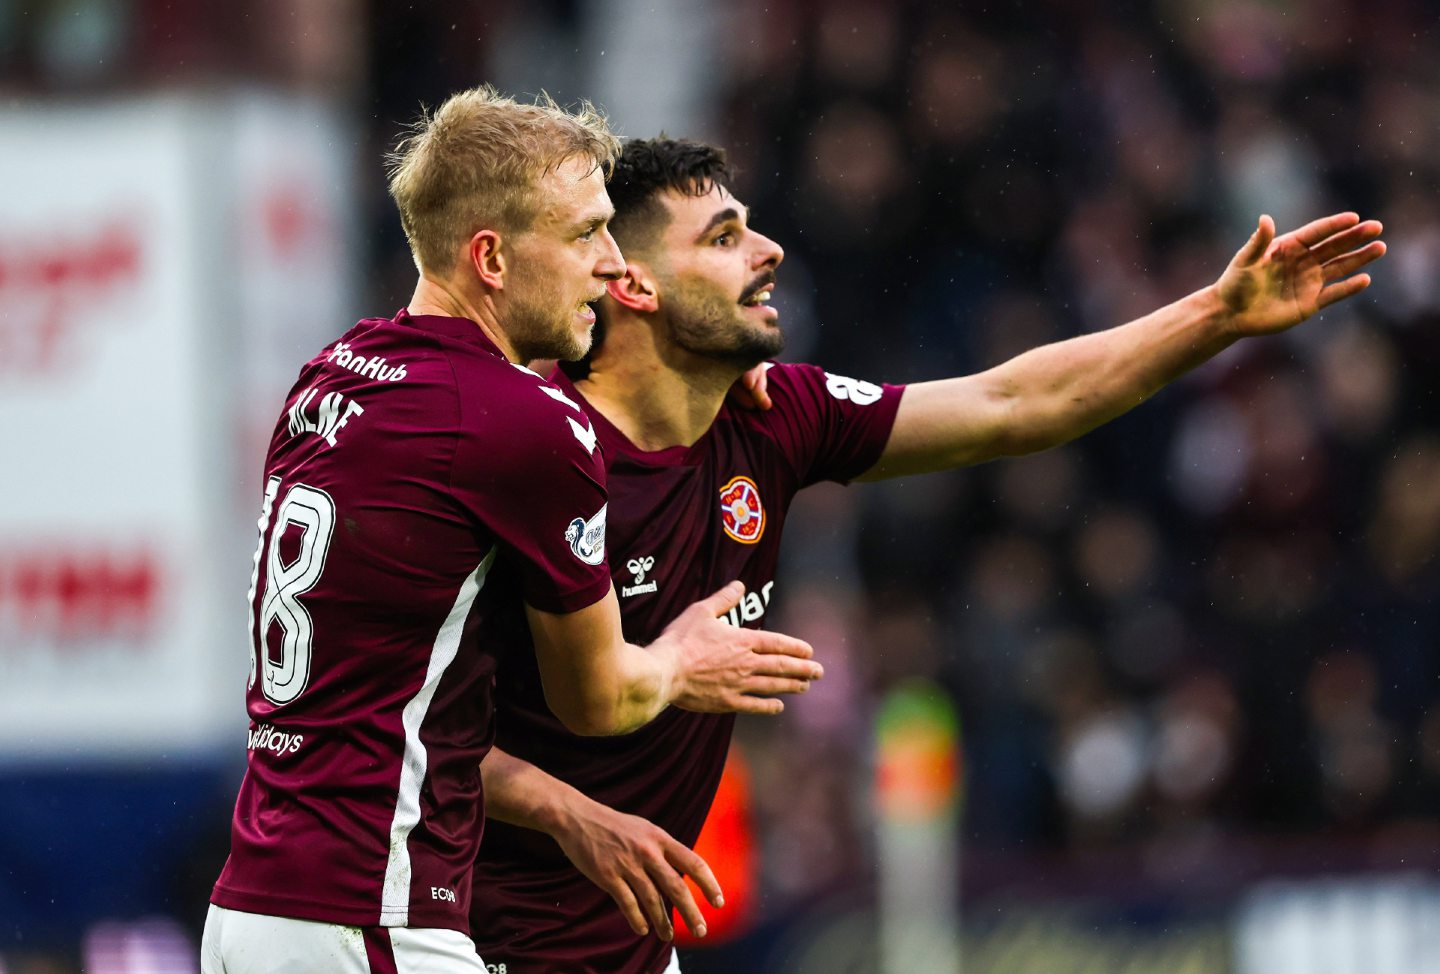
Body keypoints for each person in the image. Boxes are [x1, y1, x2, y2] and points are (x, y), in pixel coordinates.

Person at [467, 137, 1387, 974]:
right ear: (633, 286)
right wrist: (573, 804)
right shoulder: (533, 454)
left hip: (633, 951)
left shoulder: (774, 418)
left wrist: (1217, 317)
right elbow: (392, 722)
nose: (768, 251)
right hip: (467, 942)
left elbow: (1014, 405)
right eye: (723, 237)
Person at [200, 95, 822, 974]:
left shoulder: (328, 379)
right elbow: (599, 699)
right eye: (582, 236)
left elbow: (386, 693)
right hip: (374, 916)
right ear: (489, 257)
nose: (608, 266)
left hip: (255, 906)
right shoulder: (525, 424)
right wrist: (682, 660)